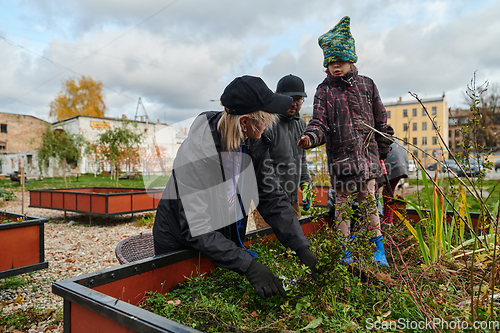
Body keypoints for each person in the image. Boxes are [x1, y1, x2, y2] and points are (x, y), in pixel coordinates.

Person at [153, 75, 318, 300]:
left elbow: (271, 197)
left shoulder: (253, 143)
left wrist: (301, 247)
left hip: (217, 239)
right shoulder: (197, 154)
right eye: (265, 122)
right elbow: (196, 227)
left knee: (220, 294)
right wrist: (248, 265)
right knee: (182, 301)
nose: (267, 128)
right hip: (177, 243)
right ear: (244, 122)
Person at [298, 16, 392, 267]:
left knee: (370, 203)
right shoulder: (324, 91)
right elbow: (320, 123)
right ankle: (345, 250)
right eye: (330, 63)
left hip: (368, 158)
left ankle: (377, 249)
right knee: (342, 206)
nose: (335, 67)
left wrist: (381, 152)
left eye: (339, 61)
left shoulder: (367, 85)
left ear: (351, 59)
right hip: (342, 161)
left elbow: (381, 122)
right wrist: (310, 138)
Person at [252, 74, 312, 229]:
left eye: (298, 99)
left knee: (295, 248)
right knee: (270, 245)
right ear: (278, 97)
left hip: (292, 201)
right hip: (268, 203)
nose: (294, 103)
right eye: (289, 98)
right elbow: (260, 165)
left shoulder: (301, 124)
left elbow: (302, 157)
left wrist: (305, 181)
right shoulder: (267, 124)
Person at [377, 135, 409, 228]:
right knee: (388, 192)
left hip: (391, 163)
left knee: (372, 191)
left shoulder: (375, 137)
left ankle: (376, 223)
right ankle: (388, 222)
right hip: (401, 163)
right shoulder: (385, 135)